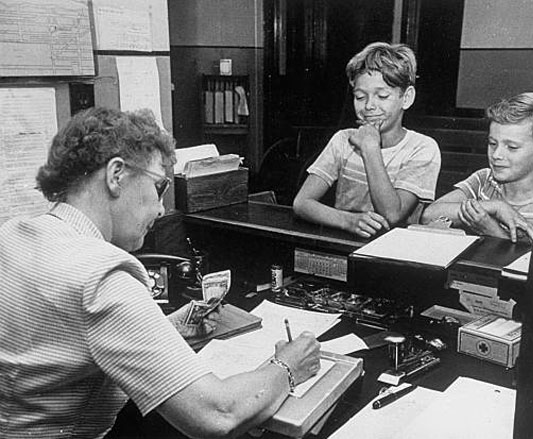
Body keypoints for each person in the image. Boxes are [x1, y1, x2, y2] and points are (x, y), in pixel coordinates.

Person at [0, 107, 321, 439]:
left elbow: (60, 349)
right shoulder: (102, 274)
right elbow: (217, 414)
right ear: (116, 175)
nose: (161, 208)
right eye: (158, 187)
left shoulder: (14, 235)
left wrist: (167, 328)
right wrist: (287, 368)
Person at [293, 42, 441, 238]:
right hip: (346, 243)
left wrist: (370, 148)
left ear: (407, 98)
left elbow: (392, 215)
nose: (369, 106)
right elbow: (302, 203)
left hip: (398, 252)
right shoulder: (343, 140)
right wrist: (348, 221)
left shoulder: (423, 148)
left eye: (382, 96)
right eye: (360, 97)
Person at [420, 92, 533, 242]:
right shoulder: (484, 180)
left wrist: (493, 230)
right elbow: (429, 215)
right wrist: (495, 206)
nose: (496, 155)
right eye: (492, 144)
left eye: (512, 147)